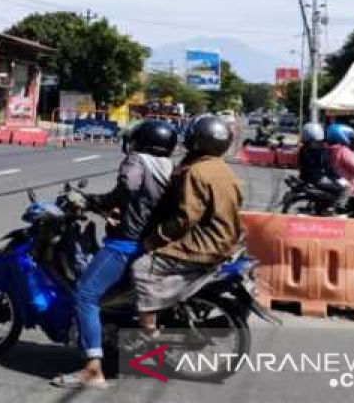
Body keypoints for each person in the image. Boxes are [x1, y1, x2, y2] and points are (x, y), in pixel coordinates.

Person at [51, 120, 177, 390]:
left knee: (84, 294)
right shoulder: (167, 165)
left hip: (126, 243)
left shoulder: (137, 160)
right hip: (147, 241)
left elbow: (128, 188)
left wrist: (99, 200)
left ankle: (92, 369)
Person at [131, 115, 244, 336]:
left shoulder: (195, 171)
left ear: (197, 141)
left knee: (141, 266)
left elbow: (185, 217)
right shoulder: (222, 169)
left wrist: (154, 240)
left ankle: (148, 331)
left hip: (202, 246)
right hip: (224, 240)